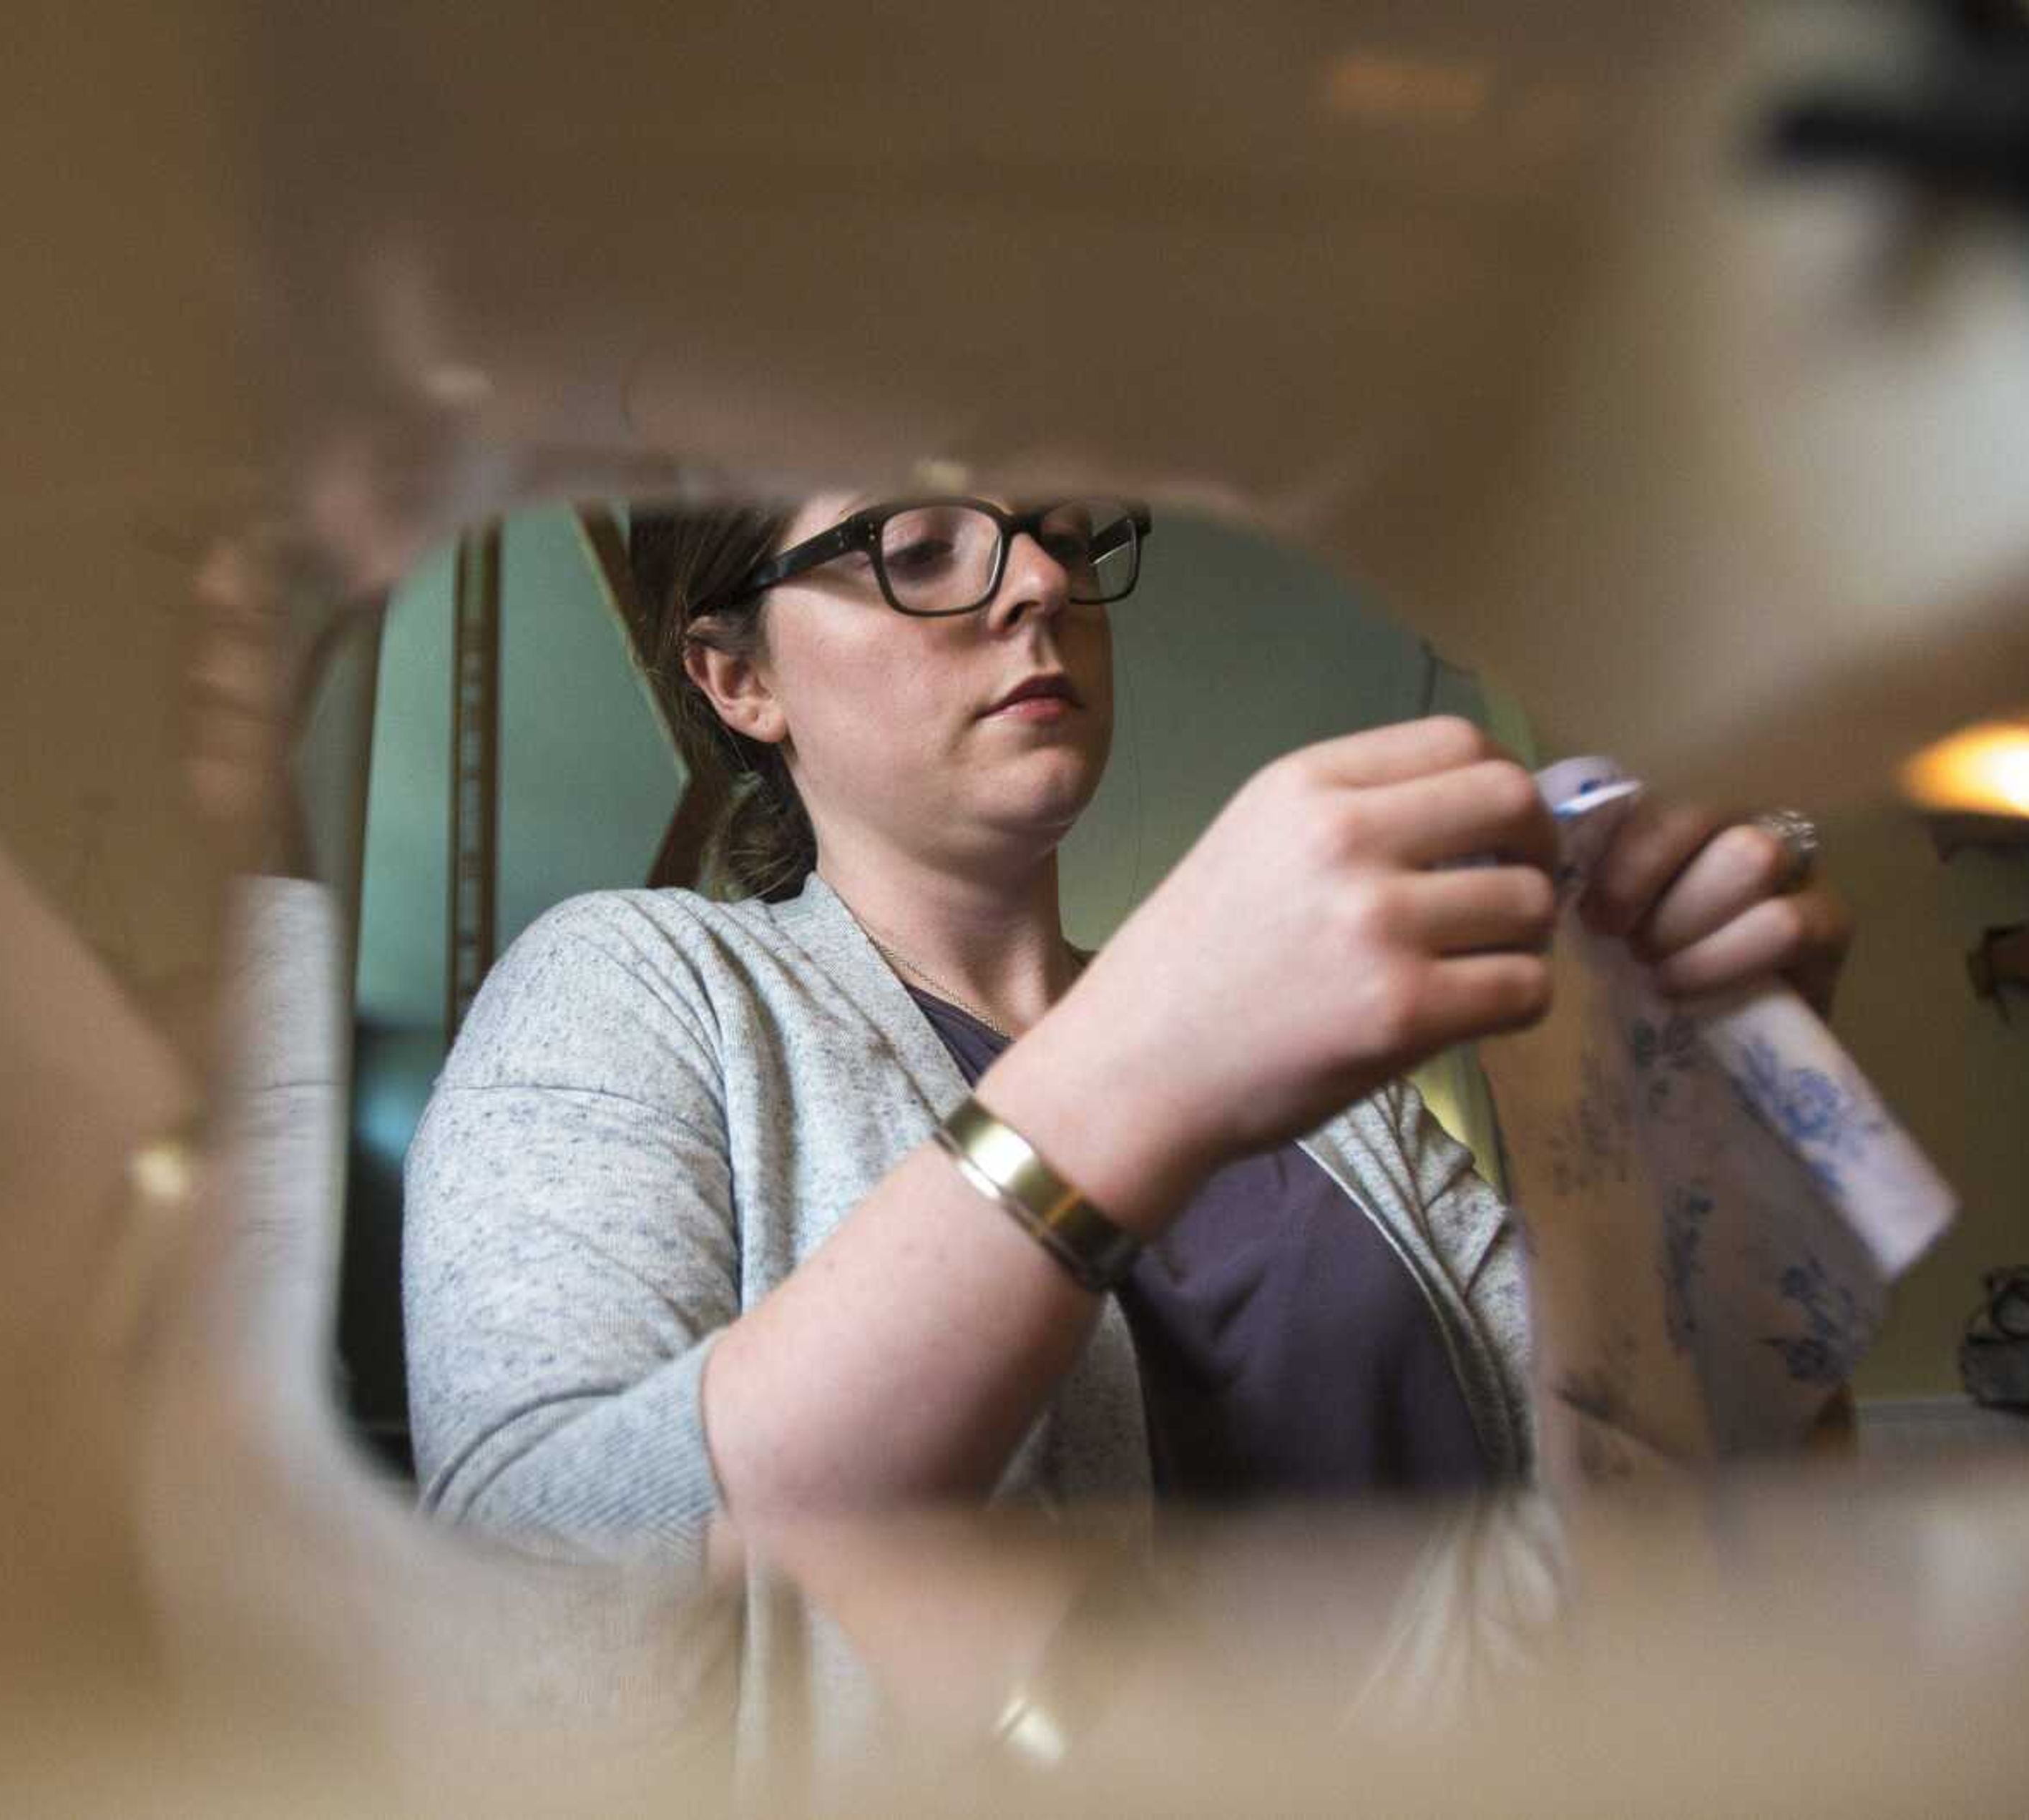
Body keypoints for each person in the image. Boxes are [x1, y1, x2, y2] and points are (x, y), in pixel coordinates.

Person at [401, 496, 1852, 1547]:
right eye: (916, 549)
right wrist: (1139, 1064)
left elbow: (1659, 1512)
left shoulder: (1340, 1101)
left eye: (1057, 526)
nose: (1039, 577)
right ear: (740, 678)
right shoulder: (637, 983)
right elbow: (534, 1576)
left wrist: (1710, 1132)